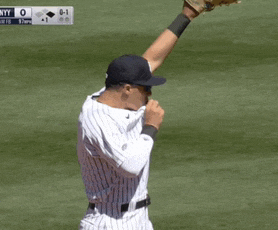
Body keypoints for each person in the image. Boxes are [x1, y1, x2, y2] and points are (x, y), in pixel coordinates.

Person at [77, 2, 200, 229]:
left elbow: (153, 58)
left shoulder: (117, 94)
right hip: (110, 221)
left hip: (139, 220)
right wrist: (151, 127)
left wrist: (188, 14)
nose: (150, 93)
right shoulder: (96, 119)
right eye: (145, 88)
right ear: (127, 89)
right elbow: (130, 165)